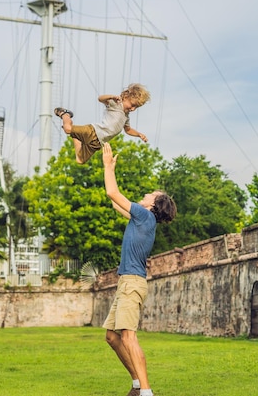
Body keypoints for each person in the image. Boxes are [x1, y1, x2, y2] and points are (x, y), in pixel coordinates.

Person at [101, 142, 177, 396]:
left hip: (132, 283)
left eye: (150, 194)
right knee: (112, 337)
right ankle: (136, 384)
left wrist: (107, 166)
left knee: (129, 337)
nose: (146, 194)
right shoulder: (142, 219)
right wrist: (109, 174)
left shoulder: (145, 217)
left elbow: (113, 193)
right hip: (127, 282)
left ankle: (146, 392)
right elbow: (115, 203)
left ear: (153, 204)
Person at [54, 83, 150, 164]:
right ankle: (65, 114)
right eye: (132, 105)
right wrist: (111, 96)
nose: (133, 109)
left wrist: (139, 134)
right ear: (125, 97)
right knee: (68, 128)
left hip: (98, 143)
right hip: (93, 131)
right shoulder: (116, 104)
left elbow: (128, 130)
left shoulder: (126, 116)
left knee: (80, 160)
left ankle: (76, 137)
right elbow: (100, 99)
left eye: (136, 107)